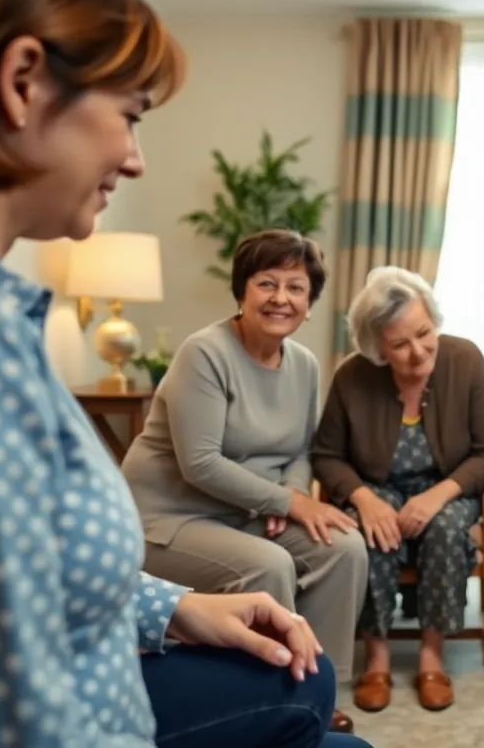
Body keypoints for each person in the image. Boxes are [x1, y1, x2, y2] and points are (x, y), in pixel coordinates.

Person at [0, 0, 369, 745]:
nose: (136, 157)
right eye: (131, 115)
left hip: (155, 615)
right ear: (24, 82)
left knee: (310, 681)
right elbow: (8, 712)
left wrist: (177, 607)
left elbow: (47, 580)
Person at [123, 229, 368, 733]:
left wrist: (290, 498)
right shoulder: (205, 353)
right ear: (242, 291)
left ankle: (320, 685)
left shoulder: (302, 363)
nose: (281, 298)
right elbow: (201, 463)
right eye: (267, 283)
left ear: (310, 302)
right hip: (165, 518)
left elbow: (301, 447)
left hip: (246, 512)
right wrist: (288, 502)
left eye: (296, 287)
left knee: (344, 546)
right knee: (269, 564)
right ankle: (269, 700)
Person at [311, 266, 484, 712]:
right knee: (373, 529)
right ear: (377, 348)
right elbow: (325, 455)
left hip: (449, 488)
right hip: (377, 485)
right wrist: (362, 497)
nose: (418, 351)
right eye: (400, 344)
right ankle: (376, 658)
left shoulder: (465, 359)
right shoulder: (352, 377)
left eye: (424, 332)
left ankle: (431, 656)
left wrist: (437, 496)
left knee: (444, 528)